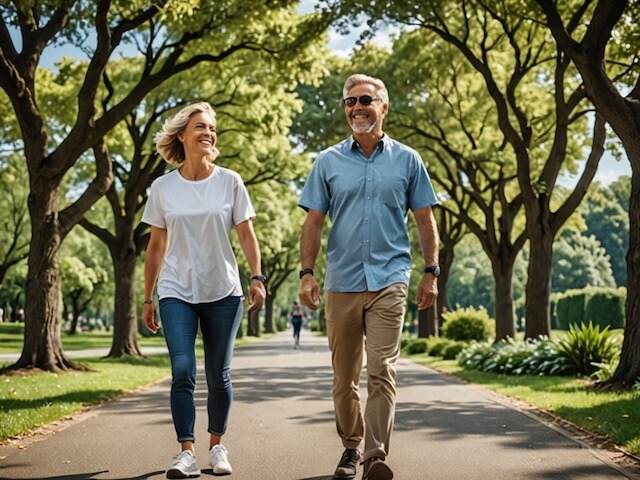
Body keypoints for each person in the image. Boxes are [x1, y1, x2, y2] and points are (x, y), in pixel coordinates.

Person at [298, 74, 439, 480]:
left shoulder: (408, 160)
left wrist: (430, 271)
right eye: (349, 102)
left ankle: (376, 456)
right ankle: (351, 448)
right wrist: (307, 273)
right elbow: (314, 221)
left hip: (390, 278)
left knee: (382, 369)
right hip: (341, 280)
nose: (356, 108)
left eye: (364, 100)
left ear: (383, 107)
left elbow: (425, 219)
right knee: (344, 378)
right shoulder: (327, 161)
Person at [141, 102, 266, 479]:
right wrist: (148, 297)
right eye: (200, 126)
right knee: (182, 370)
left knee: (218, 374)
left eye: (212, 128)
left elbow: (246, 233)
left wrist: (257, 277)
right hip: (176, 289)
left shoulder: (230, 181)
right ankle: (186, 453)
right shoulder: (162, 187)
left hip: (223, 290)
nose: (209, 133)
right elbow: (156, 246)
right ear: (181, 134)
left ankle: (216, 447)